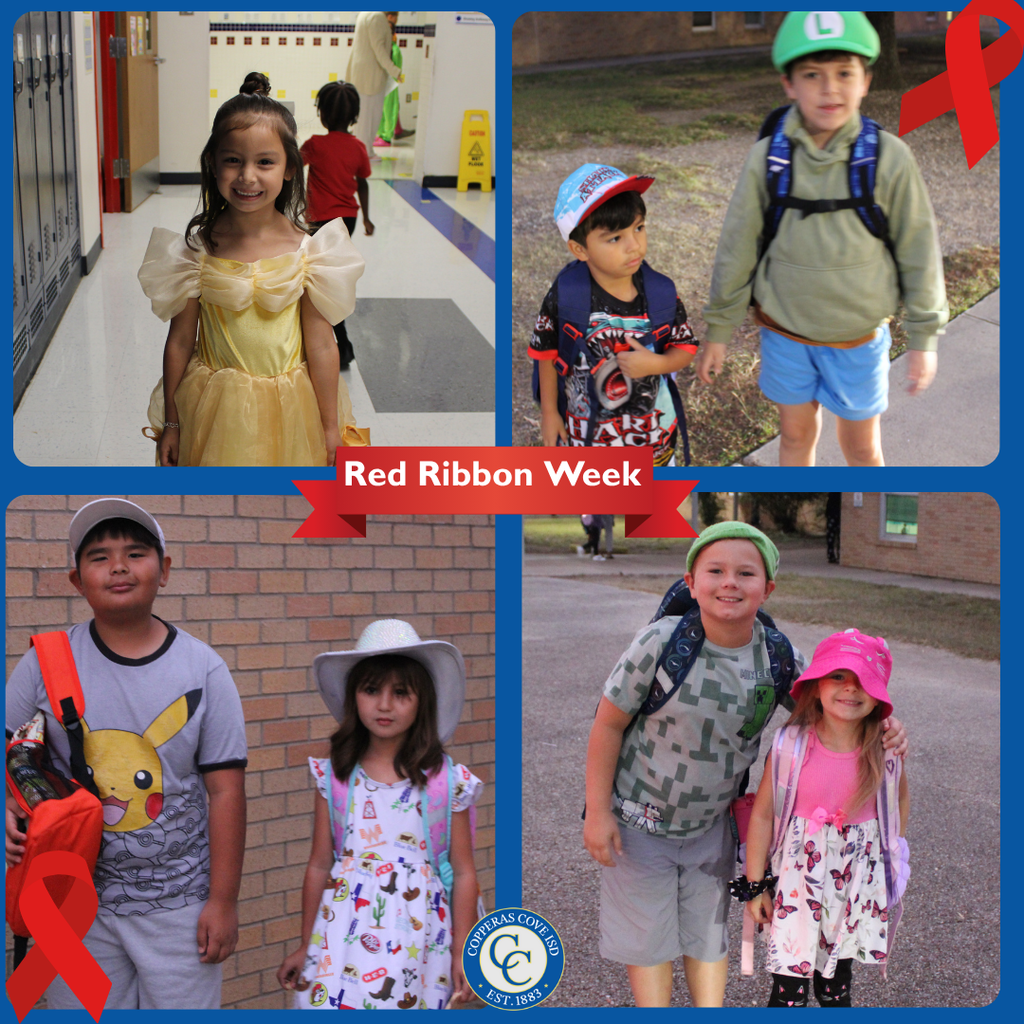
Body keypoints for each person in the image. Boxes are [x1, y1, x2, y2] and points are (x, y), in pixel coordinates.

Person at [582, 521, 908, 1007]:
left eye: (745, 573)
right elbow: (607, 725)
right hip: (637, 821)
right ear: (691, 582)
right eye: (715, 570)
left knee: (706, 937)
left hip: (713, 828)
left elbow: (832, 703)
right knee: (649, 939)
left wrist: (887, 722)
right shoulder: (660, 643)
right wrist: (598, 811)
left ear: (767, 588)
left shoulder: (776, 656)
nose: (730, 582)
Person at [5, 499, 247, 1009]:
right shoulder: (44, 660)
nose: (118, 566)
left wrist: (222, 902)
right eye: (99, 556)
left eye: (136, 553)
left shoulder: (203, 669)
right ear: (77, 581)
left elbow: (226, 791)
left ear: (165, 571)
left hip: (180, 907)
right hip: (71, 903)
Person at [699, 11, 948, 467]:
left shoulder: (890, 159)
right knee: (794, 439)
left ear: (866, 80)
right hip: (784, 336)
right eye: (812, 75)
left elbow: (920, 251)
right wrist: (719, 329)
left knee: (862, 449)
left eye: (844, 73)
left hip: (858, 340)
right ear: (789, 84)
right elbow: (738, 247)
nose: (829, 88)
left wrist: (923, 337)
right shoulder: (766, 160)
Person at [138, 91, 369, 467]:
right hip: (215, 409)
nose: (247, 176)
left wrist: (330, 427)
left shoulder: (310, 254)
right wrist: (173, 423)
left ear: (290, 168)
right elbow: (180, 342)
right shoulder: (195, 252)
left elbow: (323, 347)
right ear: (213, 163)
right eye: (233, 160)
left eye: (265, 162)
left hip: (294, 409)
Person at [276, 620, 482, 1009]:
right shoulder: (335, 776)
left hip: (420, 947)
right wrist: (307, 943)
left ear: (423, 701)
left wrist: (461, 954)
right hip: (340, 943)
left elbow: (465, 870)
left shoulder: (445, 782)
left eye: (401, 693)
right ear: (354, 697)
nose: (384, 704)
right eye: (371, 690)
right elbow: (320, 865)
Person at [742, 630, 910, 1007]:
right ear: (816, 684)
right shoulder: (789, 745)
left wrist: (886, 867)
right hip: (796, 891)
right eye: (838, 676)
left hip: (849, 892)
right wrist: (755, 886)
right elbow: (764, 815)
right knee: (787, 992)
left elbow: (896, 810)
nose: (850, 688)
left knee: (836, 988)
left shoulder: (883, 752)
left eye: (864, 679)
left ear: (878, 695)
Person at [530, 164, 698, 466]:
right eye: (615, 238)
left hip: (653, 443)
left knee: (653, 509)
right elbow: (546, 353)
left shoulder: (661, 294)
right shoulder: (566, 296)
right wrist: (549, 413)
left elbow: (685, 347)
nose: (634, 245)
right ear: (580, 249)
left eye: (639, 227)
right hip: (587, 443)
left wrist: (658, 363)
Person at [301, 81, 374, 370]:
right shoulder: (358, 147)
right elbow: (363, 183)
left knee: (318, 281)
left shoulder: (315, 145)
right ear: (354, 115)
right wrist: (367, 218)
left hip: (319, 222)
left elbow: (289, 168)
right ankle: (339, 344)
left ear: (322, 115)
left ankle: (339, 344)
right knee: (328, 279)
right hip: (348, 221)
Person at [347, 11, 404, 160]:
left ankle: (361, 151)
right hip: (371, 76)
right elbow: (379, 49)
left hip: (361, 74)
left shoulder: (363, 14)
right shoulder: (377, 17)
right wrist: (395, 70)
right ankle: (365, 153)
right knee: (370, 117)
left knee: (363, 117)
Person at [374, 28, 403, 146]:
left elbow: (394, 70)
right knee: (381, 110)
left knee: (389, 110)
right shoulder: (385, 49)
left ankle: (386, 137)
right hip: (382, 84)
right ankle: (381, 134)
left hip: (390, 85)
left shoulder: (394, 50)